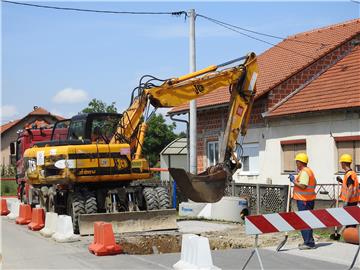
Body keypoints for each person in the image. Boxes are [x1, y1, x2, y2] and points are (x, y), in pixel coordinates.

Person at [289, 153, 317, 250]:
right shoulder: (309, 171)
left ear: (300, 162)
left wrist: (293, 181)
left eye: (297, 161)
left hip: (304, 201)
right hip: (308, 200)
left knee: (305, 221)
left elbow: (303, 186)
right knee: (308, 220)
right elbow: (314, 183)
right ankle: (309, 241)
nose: (296, 163)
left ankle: (308, 243)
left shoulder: (304, 172)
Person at [336, 154, 359, 228]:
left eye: (341, 163)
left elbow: (350, 188)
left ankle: (350, 237)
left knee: (350, 223)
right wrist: (342, 181)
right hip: (353, 201)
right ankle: (350, 236)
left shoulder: (349, 174)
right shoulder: (351, 173)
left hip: (350, 202)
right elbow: (349, 185)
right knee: (351, 221)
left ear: (343, 163)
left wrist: (346, 201)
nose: (341, 164)